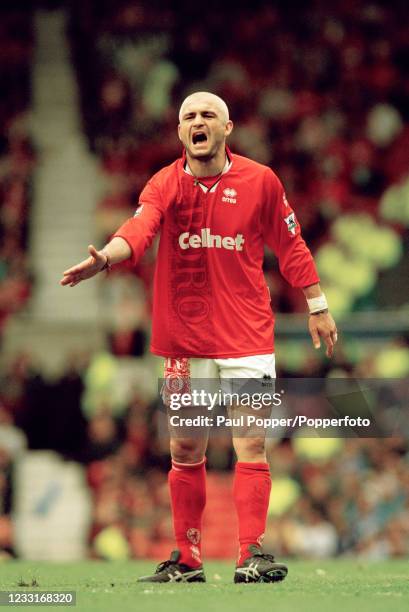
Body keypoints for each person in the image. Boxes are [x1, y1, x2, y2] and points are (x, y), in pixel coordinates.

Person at [60, 91, 337, 583]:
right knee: (185, 450)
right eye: (189, 116)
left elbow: (291, 244)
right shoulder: (165, 184)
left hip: (249, 336)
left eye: (209, 114)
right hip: (185, 342)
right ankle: (187, 560)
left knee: (251, 443)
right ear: (180, 132)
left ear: (227, 127)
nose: (199, 121)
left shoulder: (261, 181)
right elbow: (141, 228)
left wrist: (317, 305)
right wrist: (106, 257)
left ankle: (251, 554)